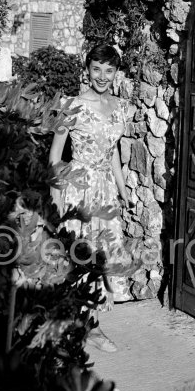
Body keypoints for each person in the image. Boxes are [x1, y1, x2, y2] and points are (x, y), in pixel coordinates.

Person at [49, 43, 137, 352]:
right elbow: (56, 156)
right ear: (87, 69)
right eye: (96, 69)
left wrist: (123, 188)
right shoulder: (71, 105)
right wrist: (56, 200)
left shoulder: (118, 107)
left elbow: (111, 152)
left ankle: (90, 326)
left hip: (106, 193)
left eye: (108, 70)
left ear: (116, 73)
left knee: (102, 256)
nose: (102, 76)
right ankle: (82, 327)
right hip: (78, 188)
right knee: (79, 254)